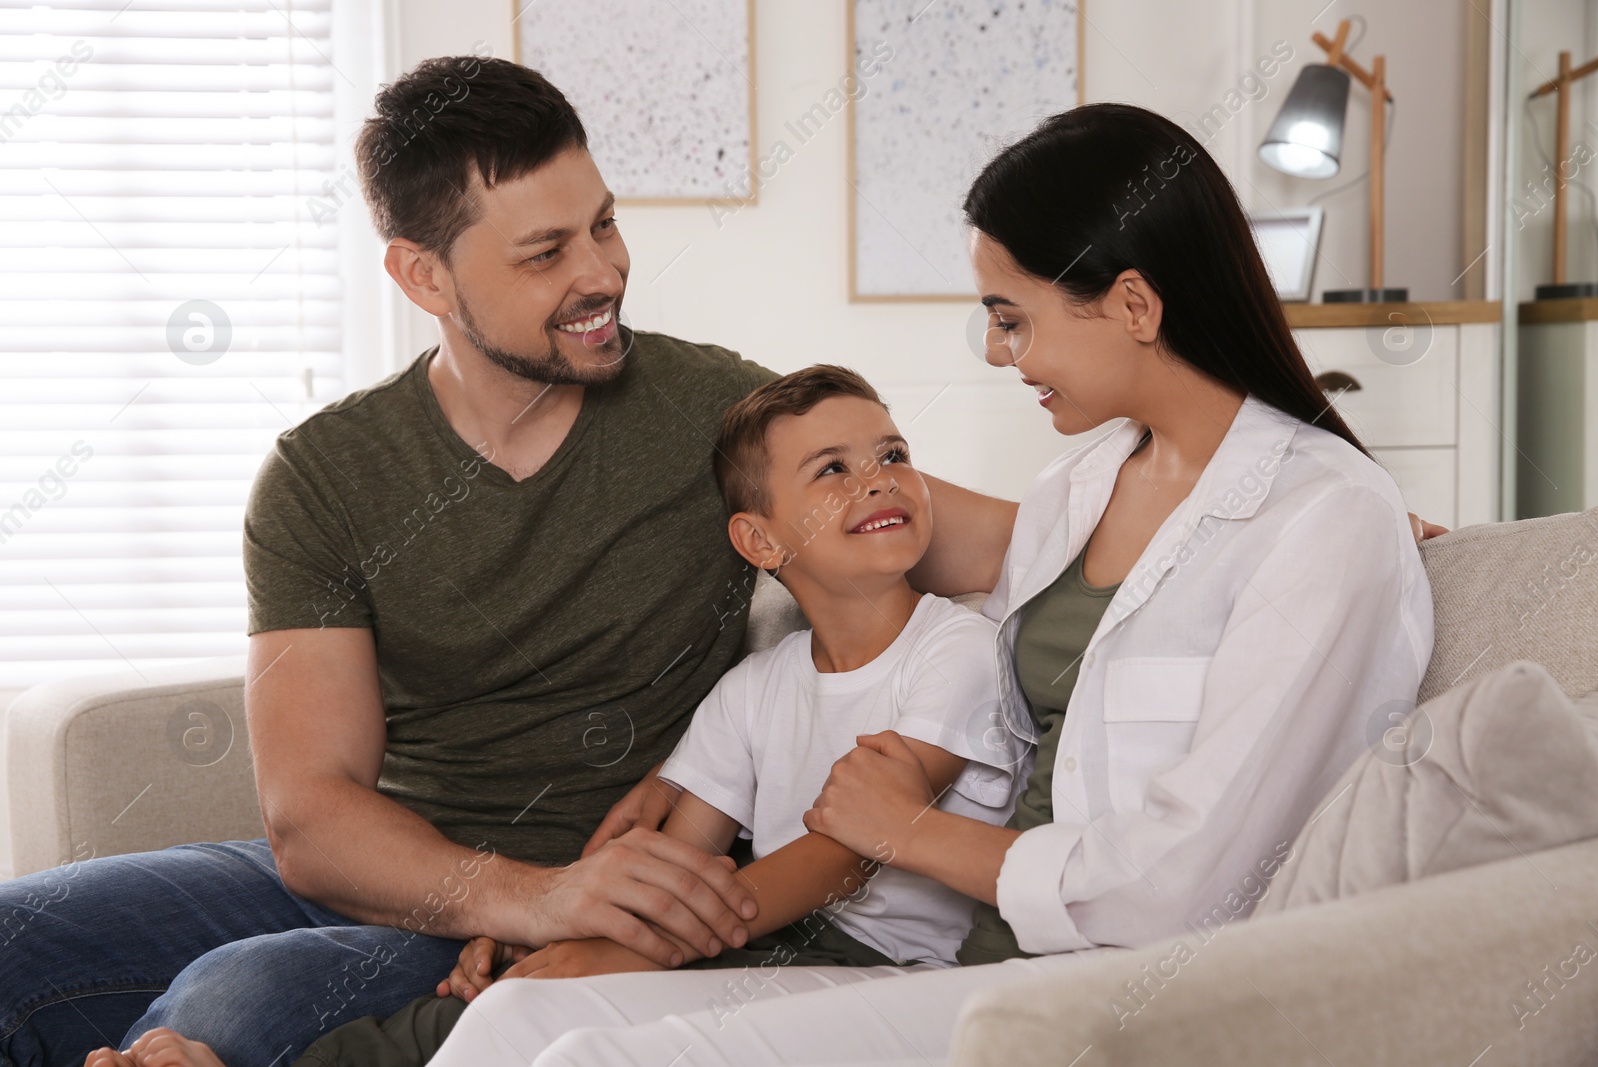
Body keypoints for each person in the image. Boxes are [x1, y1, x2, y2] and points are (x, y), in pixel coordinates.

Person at [362, 101, 1436, 1066]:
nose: (1000, 353)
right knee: (514, 1022)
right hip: (976, 957)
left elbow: (1186, 880)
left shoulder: (1321, 517)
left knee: (603, 1058)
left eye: (1011, 316)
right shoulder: (1080, 486)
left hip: (1125, 983)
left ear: (1136, 304)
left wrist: (910, 833)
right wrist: (602, 897)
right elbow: (857, 531)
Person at [34, 56, 1017, 1067]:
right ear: (424, 275)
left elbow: (1003, 541)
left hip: (600, 896)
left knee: (231, 1005)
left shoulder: (714, 417)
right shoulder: (326, 473)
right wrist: (529, 895)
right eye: (545, 252)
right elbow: (315, 817)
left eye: (603, 224)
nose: (601, 273)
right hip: (407, 872)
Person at [96, 365, 1031, 1067]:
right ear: (759, 539)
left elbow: (851, 848)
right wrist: (549, 935)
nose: (878, 479)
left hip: (872, 960)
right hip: (750, 929)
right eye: (834, 469)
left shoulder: (953, 648)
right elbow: (681, 857)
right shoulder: (760, 686)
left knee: (529, 1013)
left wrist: (629, 946)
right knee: (460, 1014)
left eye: (894, 455)